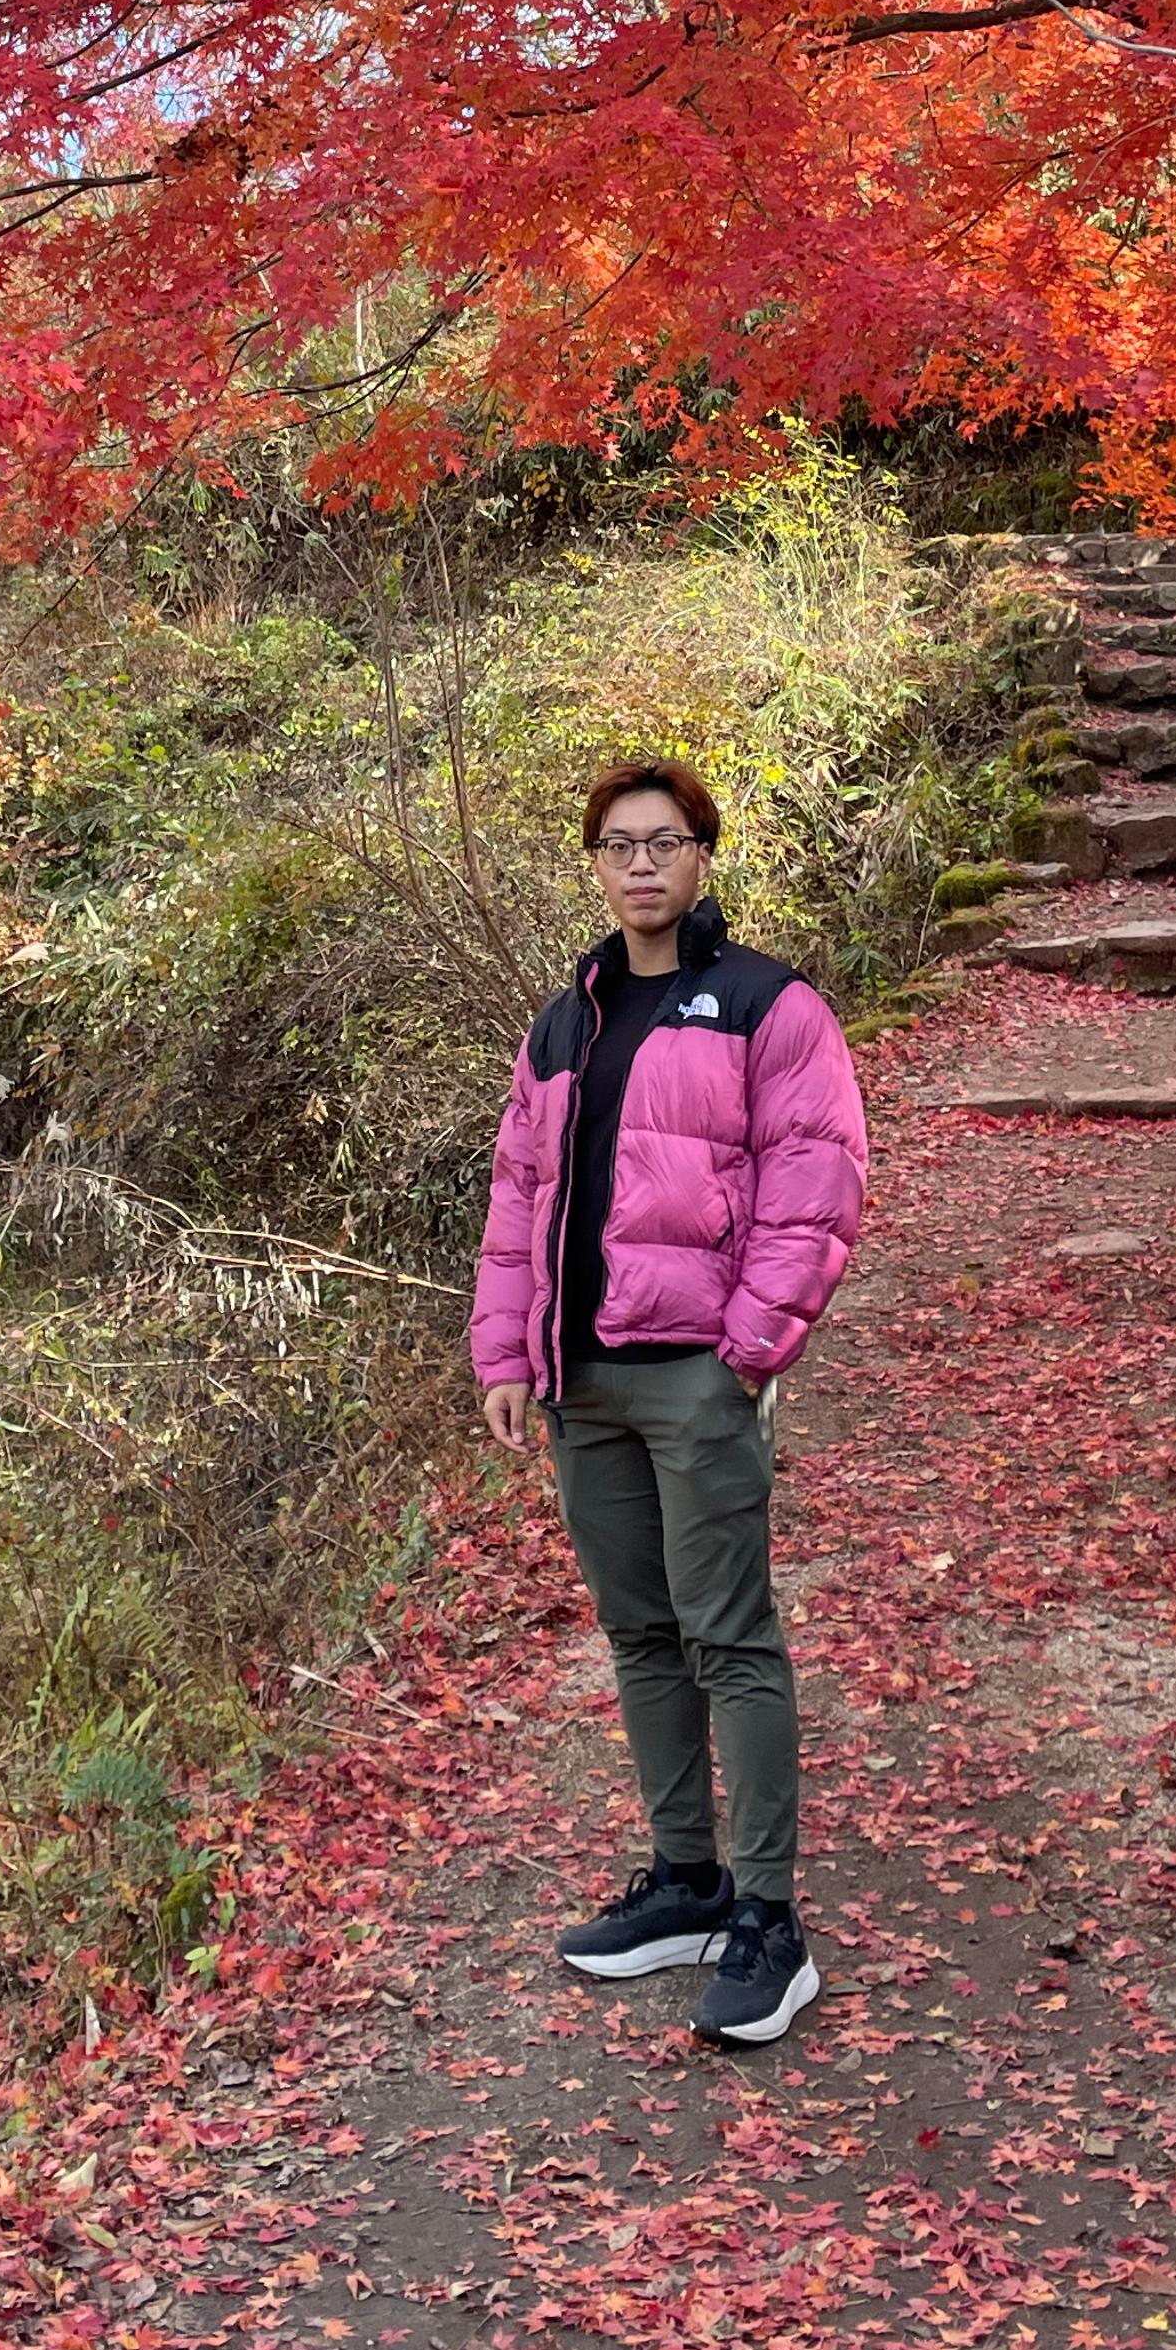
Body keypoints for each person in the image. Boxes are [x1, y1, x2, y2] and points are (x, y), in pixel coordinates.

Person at [471, 757, 868, 2045]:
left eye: (664, 841)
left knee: (729, 1635)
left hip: (695, 1372)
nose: (640, 863)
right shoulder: (562, 1026)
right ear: (596, 864)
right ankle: (687, 1881)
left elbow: (817, 1179)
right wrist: (504, 1354)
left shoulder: (766, 1004)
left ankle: (768, 1921)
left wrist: (745, 1354)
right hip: (581, 1380)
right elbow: (518, 1203)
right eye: (618, 844)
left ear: (702, 856)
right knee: (640, 1633)